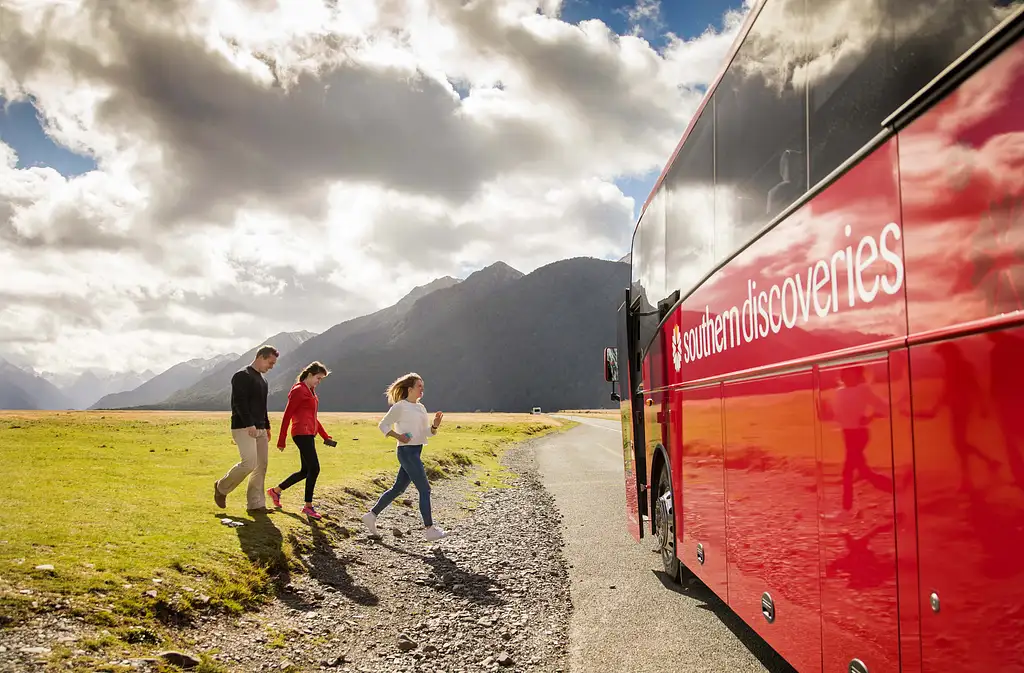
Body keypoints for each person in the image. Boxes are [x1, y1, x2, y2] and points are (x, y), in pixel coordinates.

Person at [362, 372, 447, 541]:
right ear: (410, 389)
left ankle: (371, 516)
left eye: (423, 386)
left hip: (416, 451)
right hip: (406, 452)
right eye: (419, 386)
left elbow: (426, 433)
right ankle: (429, 529)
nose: (422, 389)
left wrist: (435, 426)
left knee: (398, 489)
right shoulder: (400, 406)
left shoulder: (421, 407)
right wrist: (398, 436)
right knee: (425, 489)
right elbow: (383, 425)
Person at [214, 345, 278, 511]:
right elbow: (239, 402)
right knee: (249, 463)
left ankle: (256, 505)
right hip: (243, 426)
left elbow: (262, 406)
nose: (271, 367)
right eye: (270, 363)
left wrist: (267, 426)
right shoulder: (242, 375)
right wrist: (250, 423)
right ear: (261, 357)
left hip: (261, 428)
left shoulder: (263, 380)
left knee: (261, 466)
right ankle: (221, 488)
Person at [267, 361, 334, 520]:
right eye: (318, 378)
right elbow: (287, 414)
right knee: (315, 468)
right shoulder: (298, 391)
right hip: (301, 433)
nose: (319, 382)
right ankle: (308, 506)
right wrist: (281, 439)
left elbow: (313, 418)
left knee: (306, 470)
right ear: (310, 375)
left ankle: (276, 491)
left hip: (309, 433)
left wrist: (325, 436)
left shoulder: (310, 391)